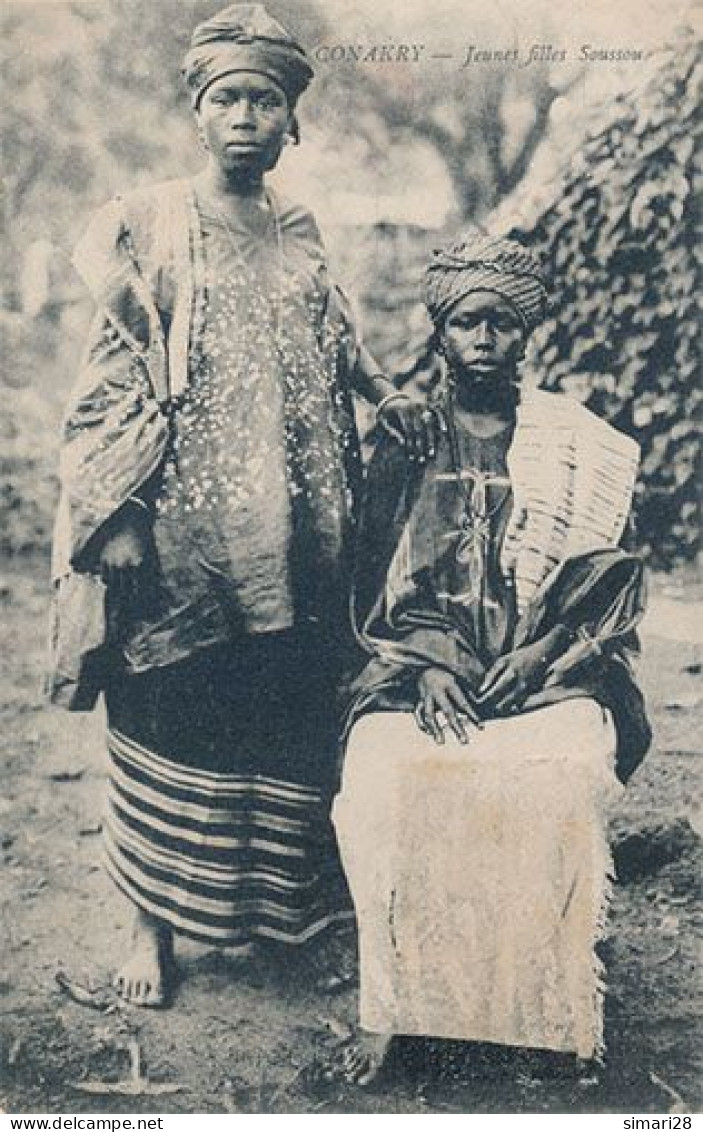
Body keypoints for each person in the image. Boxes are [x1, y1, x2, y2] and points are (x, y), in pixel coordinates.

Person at [48, 3, 436, 1008]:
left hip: (300, 526)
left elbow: (333, 343)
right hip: (182, 529)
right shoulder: (149, 224)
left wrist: (382, 390)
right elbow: (108, 385)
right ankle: (149, 921)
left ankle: (275, 915)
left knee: (284, 702)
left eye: (267, 98)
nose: (247, 116)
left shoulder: (299, 227)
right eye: (229, 97)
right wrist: (120, 517)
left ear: (291, 119)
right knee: (173, 701)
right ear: (197, 110)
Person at [331, 231, 651, 1084]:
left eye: (500, 325)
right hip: (417, 674)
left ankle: (546, 1013)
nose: (482, 340)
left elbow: (611, 576)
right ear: (439, 330)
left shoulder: (572, 441)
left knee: (555, 775)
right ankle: (395, 1008)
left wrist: (543, 653)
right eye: (466, 322)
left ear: (525, 334)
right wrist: (428, 662)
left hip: (548, 672)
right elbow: (367, 579)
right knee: (384, 774)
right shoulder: (404, 438)